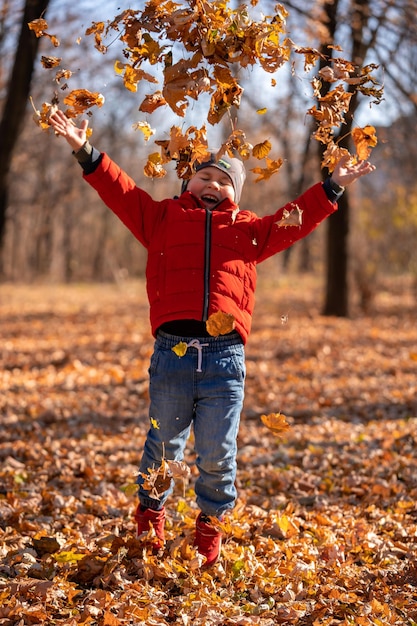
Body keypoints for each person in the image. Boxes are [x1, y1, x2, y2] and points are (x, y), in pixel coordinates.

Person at [48, 109, 375, 567]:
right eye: (205, 176)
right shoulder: (160, 218)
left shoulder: (249, 231)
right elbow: (118, 190)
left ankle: (208, 538)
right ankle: (150, 522)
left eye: (225, 181)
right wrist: (85, 150)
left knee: (219, 456)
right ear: (187, 184)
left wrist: (332, 186)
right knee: (163, 447)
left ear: (235, 194)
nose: (214, 185)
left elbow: (295, 219)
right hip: (173, 355)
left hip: (225, 362)